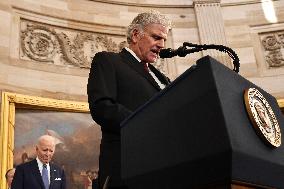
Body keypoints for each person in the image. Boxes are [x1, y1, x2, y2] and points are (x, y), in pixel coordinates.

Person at [87, 10, 172, 189]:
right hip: (126, 167)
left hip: (162, 168)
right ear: (135, 35)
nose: (162, 44)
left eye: (164, 39)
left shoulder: (163, 78)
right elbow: (102, 107)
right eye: (156, 37)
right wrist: (145, 124)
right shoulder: (109, 61)